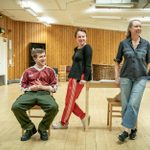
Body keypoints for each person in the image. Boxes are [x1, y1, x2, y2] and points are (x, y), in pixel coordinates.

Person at [114, 19, 150, 142]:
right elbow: (117, 61)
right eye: (136, 26)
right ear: (130, 28)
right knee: (126, 104)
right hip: (125, 77)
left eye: (140, 26)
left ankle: (125, 131)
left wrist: (146, 71)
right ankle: (132, 128)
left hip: (141, 78)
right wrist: (116, 76)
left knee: (133, 103)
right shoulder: (123, 43)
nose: (138, 28)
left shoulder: (146, 44)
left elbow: (149, 60)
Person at [11, 48, 59, 141]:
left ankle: (42, 128)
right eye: (41, 57)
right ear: (35, 59)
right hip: (30, 94)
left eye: (44, 56)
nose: (44, 58)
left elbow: (55, 87)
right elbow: (21, 85)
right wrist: (30, 88)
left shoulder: (50, 71)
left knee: (54, 107)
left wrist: (43, 87)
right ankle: (29, 128)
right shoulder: (28, 71)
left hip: (44, 94)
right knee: (16, 107)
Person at [52, 28, 92, 129]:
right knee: (68, 101)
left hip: (79, 78)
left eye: (83, 36)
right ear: (76, 38)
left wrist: (86, 78)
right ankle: (83, 116)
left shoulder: (87, 48)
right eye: (79, 36)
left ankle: (64, 123)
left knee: (70, 101)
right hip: (72, 77)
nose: (81, 38)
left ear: (86, 37)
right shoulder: (76, 49)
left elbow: (88, 64)